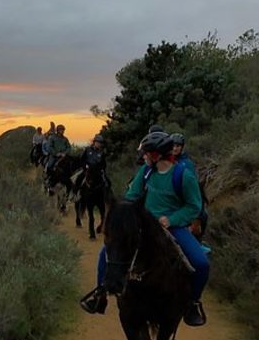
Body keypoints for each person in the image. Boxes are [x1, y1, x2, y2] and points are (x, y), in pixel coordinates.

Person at [80, 131, 209, 326]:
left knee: (201, 263)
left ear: (158, 154)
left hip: (172, 227)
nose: (144, 157)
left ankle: (192, 303)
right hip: (143, 225)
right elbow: (132, 195)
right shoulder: (146, 171)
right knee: (105, 254)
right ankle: (100, 294)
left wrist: (172, 219)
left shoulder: (184, 176)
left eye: (147, 153)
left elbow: (194, 206)